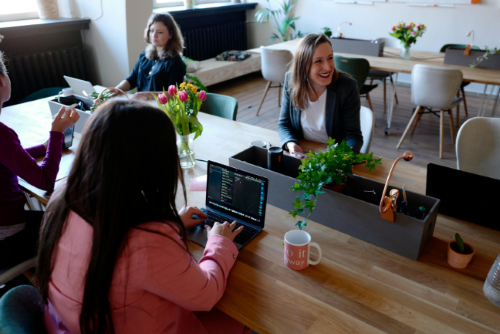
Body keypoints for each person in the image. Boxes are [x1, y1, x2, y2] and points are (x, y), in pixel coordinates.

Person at [37, 100, 251, 334]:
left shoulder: (63, 196)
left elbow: (116, 250)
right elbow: (207, 295)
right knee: (246, 316)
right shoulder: (147, 240)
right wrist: (219, 242)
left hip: (65, 324)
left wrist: (174, 223)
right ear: (156, 164)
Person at [0, 51, 79, 268]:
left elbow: (9, 156)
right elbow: (45, 182)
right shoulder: (3, 134)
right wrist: (56, 133)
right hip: (8, 241)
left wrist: (44, 148)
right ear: (2, 80)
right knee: (73, 223)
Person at [277, 34, 363, 155]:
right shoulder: (291, 80)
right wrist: (291, 144)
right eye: (318, 61)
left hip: (333, 157)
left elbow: (353, 136)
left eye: (330, 58)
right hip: (303, 153)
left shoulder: (347, 87)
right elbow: (284, 124)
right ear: (303, 66)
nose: (328, 67)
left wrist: (340, 159)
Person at [111, 13, 186, 101]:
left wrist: (146, 95)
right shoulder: (144, 55)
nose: (154, 35)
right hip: (142, 105)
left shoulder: (176, 62)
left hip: (161, 110)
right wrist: (117, 89)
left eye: (160, 32)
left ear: (170, 34)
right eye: (151, 31)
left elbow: (173, 95)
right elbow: (132, 78)